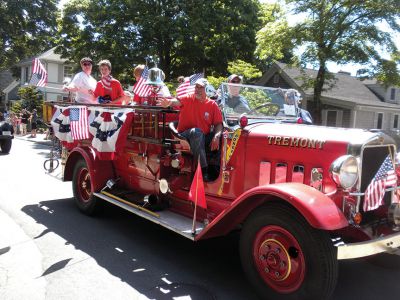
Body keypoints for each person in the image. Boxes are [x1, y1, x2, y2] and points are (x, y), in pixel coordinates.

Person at [158, 78, 223, 181]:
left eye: (200, 87)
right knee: (197, 132)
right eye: (196, 87)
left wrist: (217, 135)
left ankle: (217, 171)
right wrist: (169, 102)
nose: (197, 89)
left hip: (202, 137)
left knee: (223, 136)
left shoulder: (212, 105)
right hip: (184, 136)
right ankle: (203, 171)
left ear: (207, 89)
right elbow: (177, 101)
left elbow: (218, 124)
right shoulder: (188, 98)